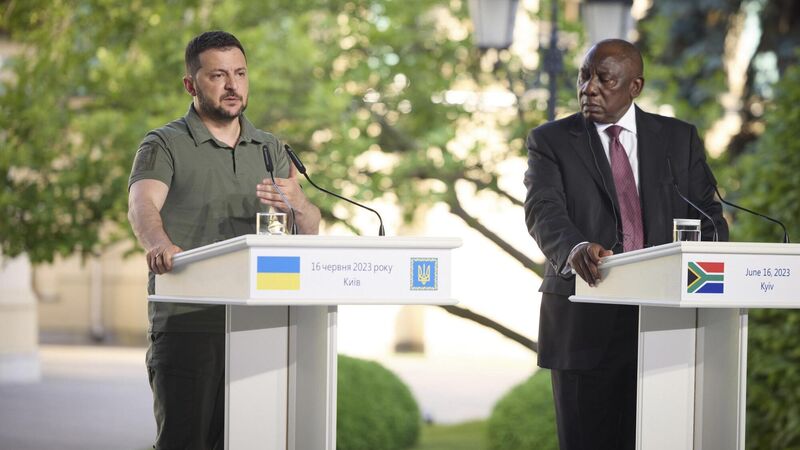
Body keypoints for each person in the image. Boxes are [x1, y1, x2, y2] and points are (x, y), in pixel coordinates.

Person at [523, 39, 728, 450]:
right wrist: (575, 248)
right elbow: (543, 210)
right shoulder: (551, 141)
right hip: (585, 322)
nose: (589, 88)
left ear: (635, 86)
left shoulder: (678, 139)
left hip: (667, 323)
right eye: (584, 76)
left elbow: (710, 218)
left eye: (605, 79)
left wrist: (701, 263)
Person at [127, 30, 321, 449]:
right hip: (188, 322)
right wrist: (157, 243)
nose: (233, 85)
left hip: (263, 323)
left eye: (240, 73)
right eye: (218, 75)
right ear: (191, 84)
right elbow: (142, 206)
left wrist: (301, 204)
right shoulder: (165, 143)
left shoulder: (271, 148)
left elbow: (308, 230)